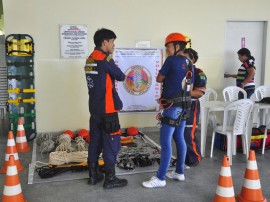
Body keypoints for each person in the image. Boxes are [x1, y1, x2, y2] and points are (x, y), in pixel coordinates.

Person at [142, 33, 194, 188]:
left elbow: (159, 79)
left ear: (178, 46)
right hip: (185, 106)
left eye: (169, 46)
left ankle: (161, 177)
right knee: (180, 138)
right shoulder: (190, 63)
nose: (167, 49)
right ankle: (179, 172)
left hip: (172, 107)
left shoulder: (171, 60)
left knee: (165, 142)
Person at [84, 28, 128, 189]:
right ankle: (110, 179)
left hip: (94, 109)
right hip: (108, 110)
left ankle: (93, 176)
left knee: (95, 141)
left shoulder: (89, 59)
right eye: (112, 42)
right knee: (112, 143)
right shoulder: (105, 59)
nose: (114, 45)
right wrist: (110, 61)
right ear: (105, 42)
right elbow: (121, 76)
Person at [183, 48, 207, 167]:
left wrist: (182, 92)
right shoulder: (179, 71)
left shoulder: (198, 73)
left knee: (188, 133)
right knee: (179, 134)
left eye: (186, 57)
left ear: (192, 59)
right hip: (179, 105)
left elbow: (200, 93)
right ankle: (184, 157)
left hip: (191, 106)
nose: (183, 60)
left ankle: (194, 158)